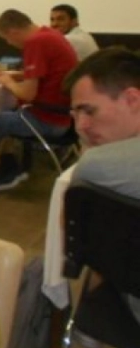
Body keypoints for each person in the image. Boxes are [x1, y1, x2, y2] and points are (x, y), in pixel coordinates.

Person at [64, 47, 140, 330]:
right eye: (75, 114)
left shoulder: (97, 166)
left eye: (89, 110)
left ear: (132, 99)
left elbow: (78, 248)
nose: (81, 126)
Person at [0, 9, 78, 192]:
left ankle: (0, 173)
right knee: (3, 113)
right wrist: (14, 76)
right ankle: (10, 165)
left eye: (7, 39)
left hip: (46, 120)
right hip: (65, 117)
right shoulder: (50, 35)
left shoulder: (35, 43)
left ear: (13, 32)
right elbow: (43, 75)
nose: (9, 43)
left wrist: (8, 82)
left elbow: (28, 94)